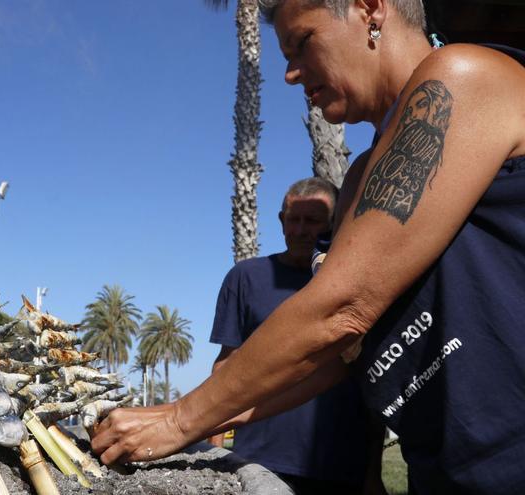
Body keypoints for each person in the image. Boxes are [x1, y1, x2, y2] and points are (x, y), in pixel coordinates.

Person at [91, 0, 525, 493]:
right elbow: (337, 355)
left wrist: (177, 421)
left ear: (370, 10)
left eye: (302, 43)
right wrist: (209, 416)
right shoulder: (360, 176)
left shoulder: (461, 77)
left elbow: (343, 307)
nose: (291, 74)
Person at [210, 177, 378, 494]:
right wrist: (215, 455)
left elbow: (370, 382)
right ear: (281, 221)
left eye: (312, 221)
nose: (300, 231)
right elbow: (225, 367)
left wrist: (372, 474)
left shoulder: (357, 283)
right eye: (293, 220)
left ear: (336, 221)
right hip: (259, 463)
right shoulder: (245, 278)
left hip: (341, 466)